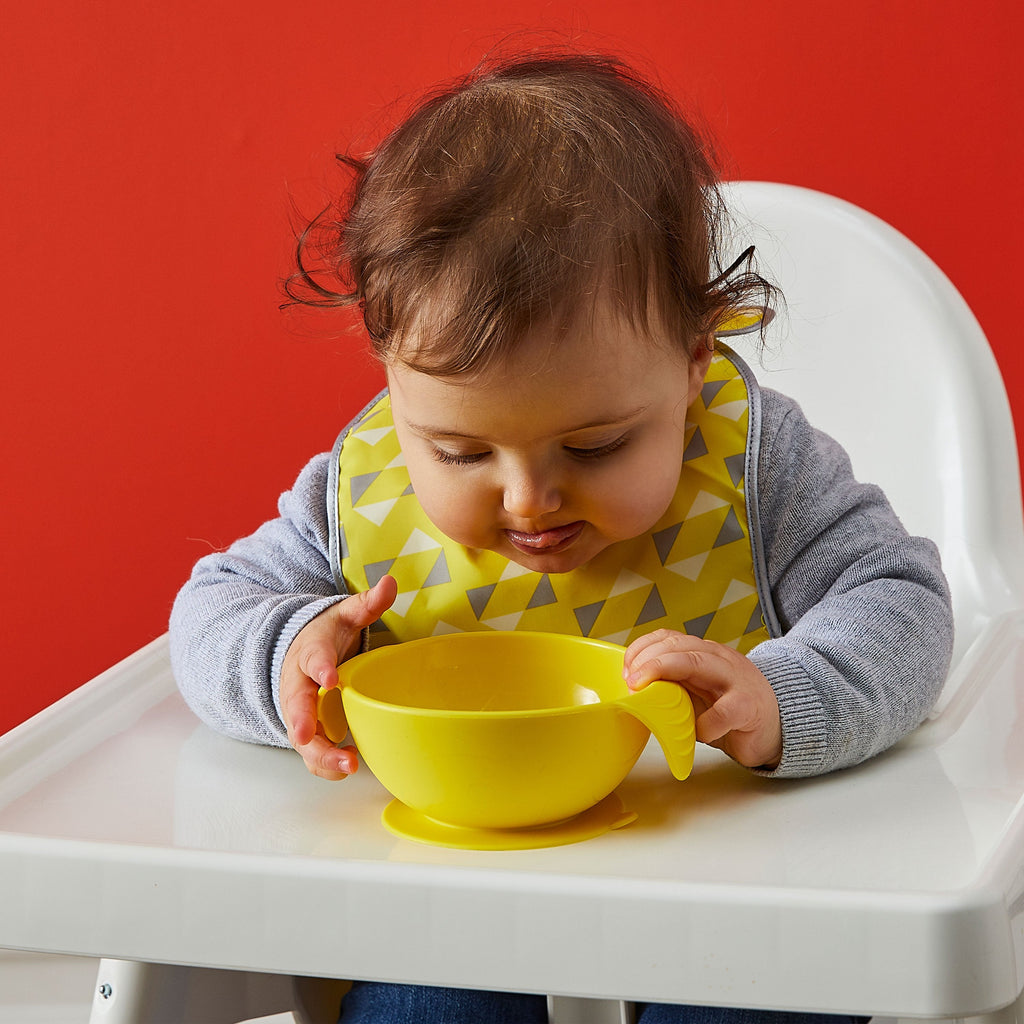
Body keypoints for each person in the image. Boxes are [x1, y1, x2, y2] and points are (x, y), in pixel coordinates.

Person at [170, 48, 953, 1024]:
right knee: (423, 1009)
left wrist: (783, 695)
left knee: (762, 995)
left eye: (595, 443)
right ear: (390, 381)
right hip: (455, 895)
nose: (529, 498)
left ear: (691, 363)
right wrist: (291, 649)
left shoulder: (753, 466)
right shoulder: (360, 491)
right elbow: (207, 613)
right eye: (458, 451)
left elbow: (902, 601)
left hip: (735, 888)